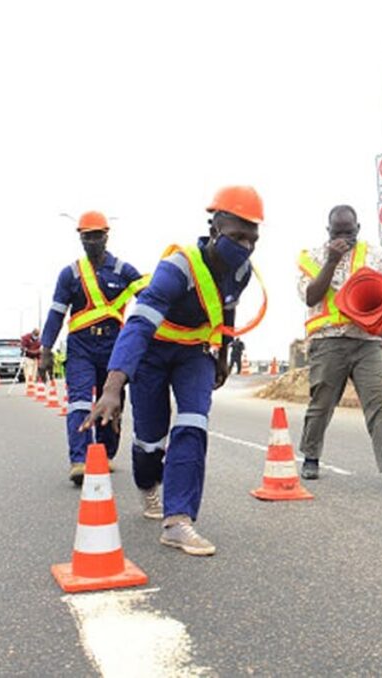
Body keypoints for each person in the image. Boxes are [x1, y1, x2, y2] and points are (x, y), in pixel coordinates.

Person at [82, 186, 264, 556]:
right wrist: (114, 387)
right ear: (214, 229)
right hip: (152, 351)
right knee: (151, 439)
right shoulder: (177, 267)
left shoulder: (242, 271)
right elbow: (138, 324)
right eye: (236, 236)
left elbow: (226, 309)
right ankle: (148, 483)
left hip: (194, 354)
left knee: (193, 423)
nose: (244, 246)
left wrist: (223, 355)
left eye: (252, 239)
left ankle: (178, 520)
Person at [296, 204, 382, 489]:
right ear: (328, 231)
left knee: (381, 401)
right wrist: (331, 261)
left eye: (349, 232)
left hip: (366, 341)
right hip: (328, 340)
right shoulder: (312, 258)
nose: (344, 237)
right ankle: (311, 457)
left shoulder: (375, 255)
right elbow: (310, 297)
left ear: (358, 229)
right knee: (322, 402)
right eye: (337, 232)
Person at [39, 210, 146, 486]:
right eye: (87, 236)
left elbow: (151, 301)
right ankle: (80, 459)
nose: (92, 241)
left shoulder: (124, 271)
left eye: (97, 235)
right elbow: (56, 313)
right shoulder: (70, 274)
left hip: (115, 346)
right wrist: (45, 350)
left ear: (106, 236)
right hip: (81, 347)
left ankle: (105, 452)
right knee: (79, 399)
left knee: (113, 400)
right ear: (80, 238)